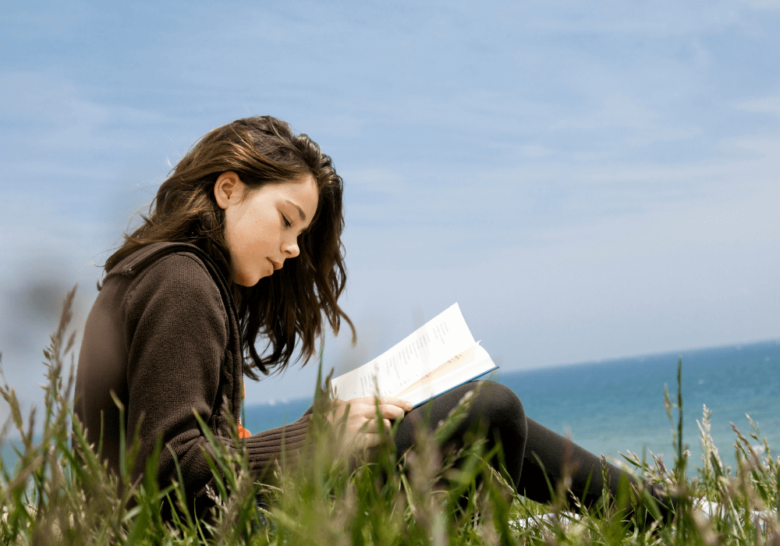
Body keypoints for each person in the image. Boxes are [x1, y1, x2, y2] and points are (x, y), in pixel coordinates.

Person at [74, 116, 668, 522]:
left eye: (302, 235)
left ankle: (674, 512)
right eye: (286, 220)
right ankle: (676, 515)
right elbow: (170, 471)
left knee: (472, 414)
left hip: (228, 519)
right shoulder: (181, 280)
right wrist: (316, 439)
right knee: (488, 410)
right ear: (228, 189)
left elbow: (182, 446)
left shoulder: (168, 276)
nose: (292, 251)